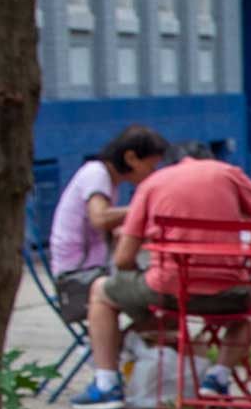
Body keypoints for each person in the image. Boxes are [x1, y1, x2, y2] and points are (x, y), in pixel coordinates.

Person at [68, 148, 251, 409]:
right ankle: (218, 376)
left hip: (168, 290)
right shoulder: (231, 175)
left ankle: (106, 384)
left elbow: (123, 259)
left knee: (101, 291)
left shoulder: (153, 183)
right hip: (227, 293)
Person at [46, 126, 169, 327]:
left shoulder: (108, 182)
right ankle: (122, 344)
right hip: (79, 276)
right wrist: (142, 209)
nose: (152, 173)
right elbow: (100, 218)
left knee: (155, 294)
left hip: (92, 268)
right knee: (157, 297)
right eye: (151, 166)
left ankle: (128, 343)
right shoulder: (96, 174)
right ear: (131, 158)